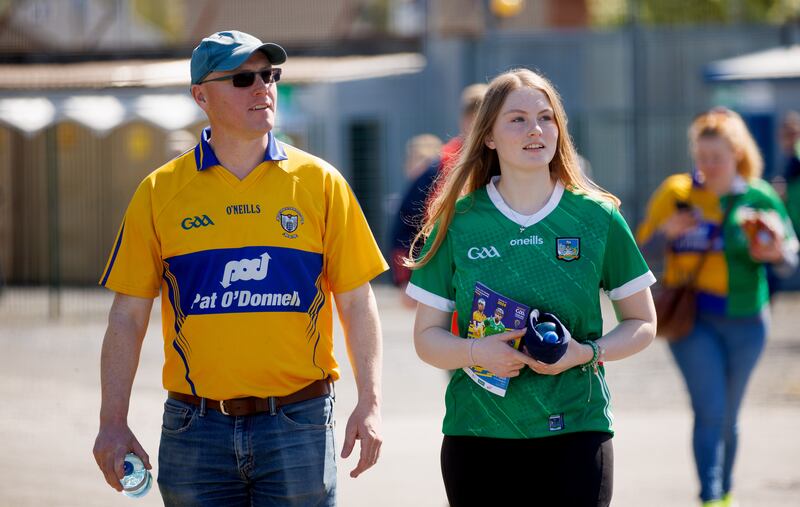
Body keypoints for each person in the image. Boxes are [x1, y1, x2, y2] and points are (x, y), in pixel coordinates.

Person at [92, 30, 388, 506]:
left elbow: (356, 301)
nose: (262, 87)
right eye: (243, 78)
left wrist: (370, 403)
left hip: (299, 423)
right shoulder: (159, 192)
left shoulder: (321, 183)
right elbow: (127, 316)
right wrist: (112, 421)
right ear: (201, 96)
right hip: (194, 429)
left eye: (269, 75)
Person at [404, 68, 657, 506]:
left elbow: (642, 322)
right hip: (478, 434)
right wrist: (476, 352)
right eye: (517, 119)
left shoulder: (598, 218)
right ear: (488, 137)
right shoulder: (457, 223)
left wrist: (586, 353)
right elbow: (427, 339)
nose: (535, 129)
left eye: (546, 117)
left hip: (578, 428)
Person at [636, 108, 798, 507]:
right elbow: (637, 253)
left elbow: (790, 258)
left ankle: (724, 492)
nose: (708, 166)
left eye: (717, 157)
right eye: (701, 156)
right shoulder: (677, 194)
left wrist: (775, 253)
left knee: (729, 414)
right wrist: (665, 235)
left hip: (748, 321)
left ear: (737, 154)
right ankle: (710, 497)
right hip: (693, 321)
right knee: (710, 410)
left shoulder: (758, 196)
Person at [389, 84, 488, 307]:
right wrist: (405, 277)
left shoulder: (511, 162)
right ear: (465, 120)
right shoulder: (442, 165)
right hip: (449, 271)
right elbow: (407, 220)